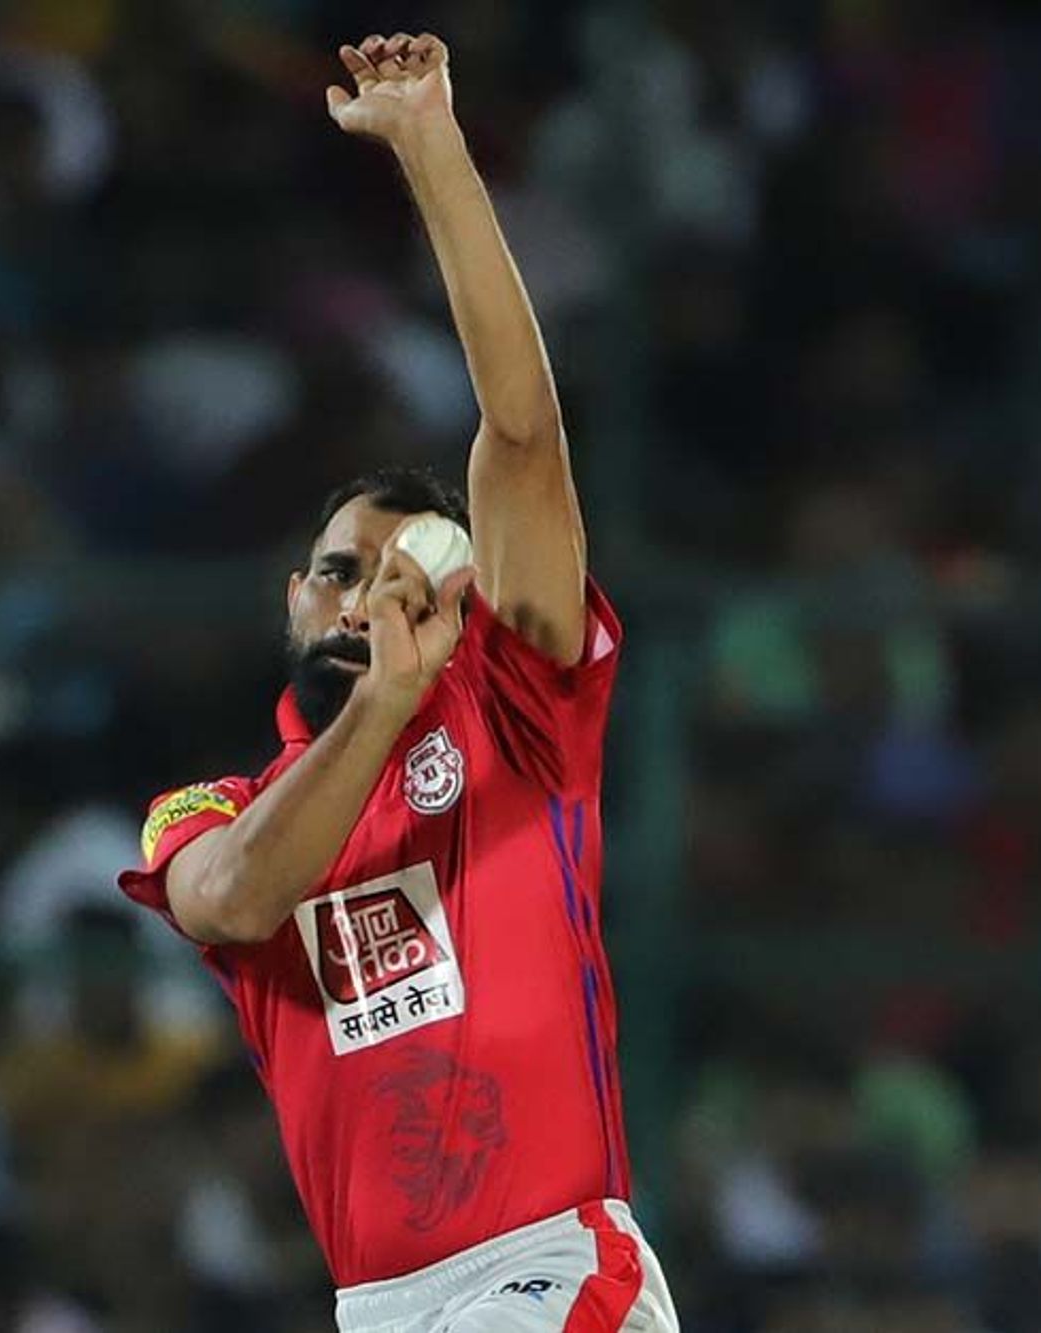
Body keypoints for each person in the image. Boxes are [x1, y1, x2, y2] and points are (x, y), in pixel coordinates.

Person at [117, 31, 679, 1333]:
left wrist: (431, 146)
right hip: (380, 1308)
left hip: (547, 1268)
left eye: (395, 573)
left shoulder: (520, 711)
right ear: (293, 600)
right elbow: (238, 899)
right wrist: (375, 706)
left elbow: (525, 434)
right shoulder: (208, 812)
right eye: (333, 569)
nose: (358, 594)